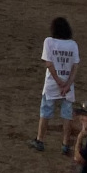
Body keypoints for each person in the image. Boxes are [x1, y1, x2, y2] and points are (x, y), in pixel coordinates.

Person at [30, 17, 80, 154]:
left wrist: (58, 82)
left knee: (45, 111)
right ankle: (65, 145)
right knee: (66, 115)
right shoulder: (73, 45)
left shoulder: (49, 42)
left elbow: (49, 64)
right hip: (68, 87)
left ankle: (40, 140)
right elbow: (75, 67)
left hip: (52, 83)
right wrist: (67, 84)